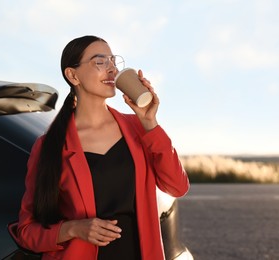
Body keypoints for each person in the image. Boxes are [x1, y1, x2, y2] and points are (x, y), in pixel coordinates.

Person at [16, 35, 190, 260]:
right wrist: (73, 229)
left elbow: (178, 186)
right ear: (73, 75)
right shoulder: (50, 146)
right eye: (100, 62)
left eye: (113, 61)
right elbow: (27, 232)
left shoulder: (138, 128)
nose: (112, 69)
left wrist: (150, 124)